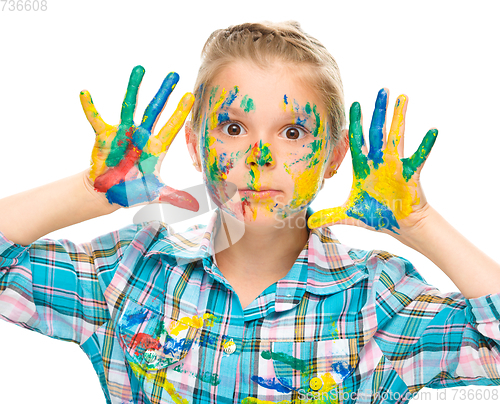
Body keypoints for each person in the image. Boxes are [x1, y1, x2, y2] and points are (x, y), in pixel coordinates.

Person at [1, 20, 500, 404]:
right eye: (234, 128)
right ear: (196, 146)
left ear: (333, 156)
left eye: (292, 133)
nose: (259, 158)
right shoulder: (129, 270)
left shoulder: (381, 300)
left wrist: (420, 224)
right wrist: (92, 190)